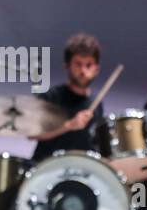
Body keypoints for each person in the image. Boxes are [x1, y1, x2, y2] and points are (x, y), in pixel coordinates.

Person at [31, 33, 106, 161]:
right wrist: (69, 125)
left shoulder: (96, 103)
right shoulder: (51, 97)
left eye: (88, 65)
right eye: (78, 64)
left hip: (78, 171)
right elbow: (33, 134)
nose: (83, 71)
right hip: (46, 168)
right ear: (67, 66)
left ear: (96, 69)